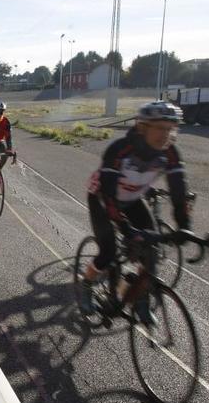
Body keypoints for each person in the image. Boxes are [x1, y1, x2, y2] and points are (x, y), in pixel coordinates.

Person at [78, 101, 191, 324]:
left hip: (132, 200)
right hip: (102, 199)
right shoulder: (120, 149)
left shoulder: (170, 152)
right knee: (108, 253)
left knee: (151, 252)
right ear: (142, 127)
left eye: (169, 129)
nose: (164, 135)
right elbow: (108, 195)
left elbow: (178, 191)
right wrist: (126, 228)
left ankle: (140, 301)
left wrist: (185, 226)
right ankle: (87, 285)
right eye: (159, 128)